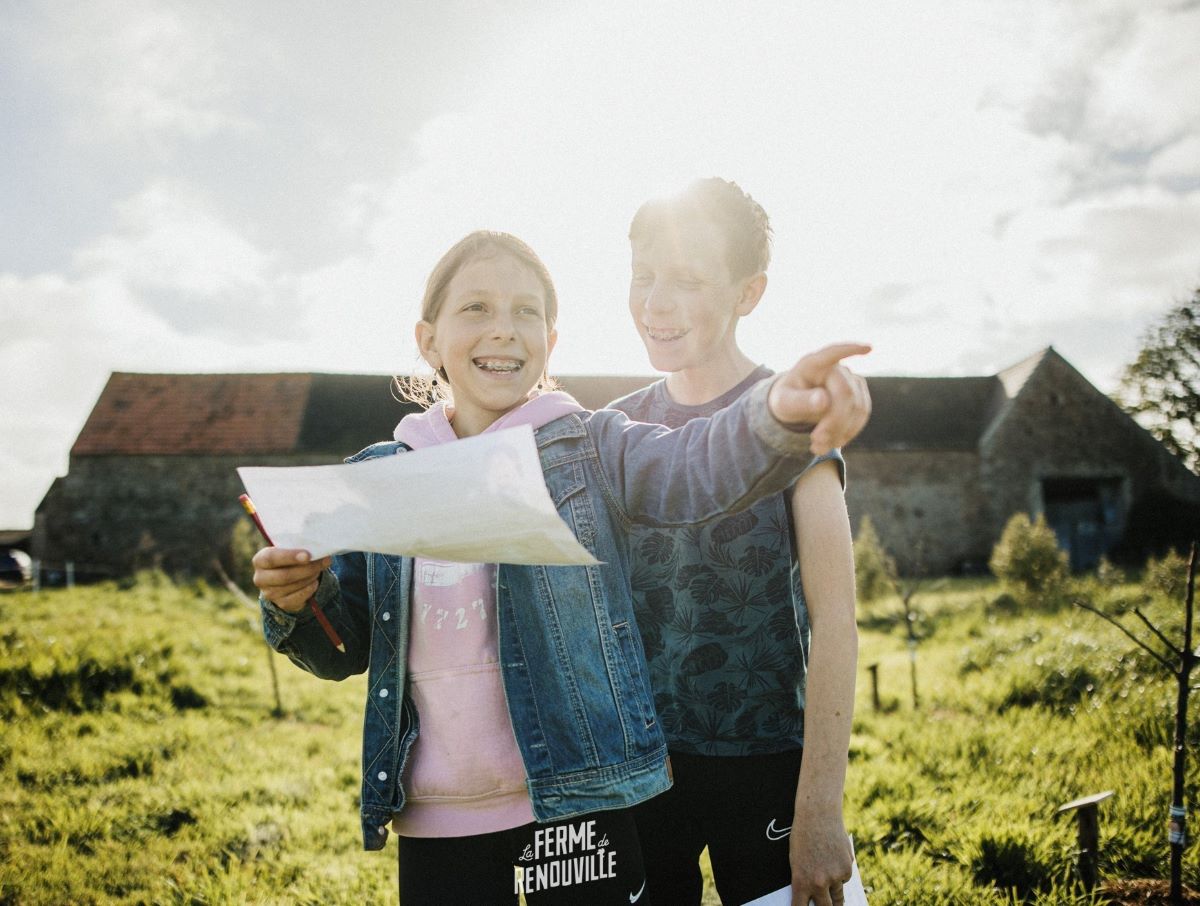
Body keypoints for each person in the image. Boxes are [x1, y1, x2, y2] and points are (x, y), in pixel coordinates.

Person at [252, 230, 870, 905]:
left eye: (527, 312)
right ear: (428, 339)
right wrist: (293, 604)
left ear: (552, 341)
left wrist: (775, 411)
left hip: (577, 806)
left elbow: (692, 466)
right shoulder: (380, 481)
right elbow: (346, 646)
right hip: (438, 818)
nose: (505, 331)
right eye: (477, 309)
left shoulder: (588, 452)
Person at [608, 179, 866, 906]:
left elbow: (837, 619)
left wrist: (819, 806)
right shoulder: (616, 431)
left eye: (687, 280)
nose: (655, 302)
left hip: (765, 761)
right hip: (640, 767)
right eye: (643, 276)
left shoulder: (794, 424)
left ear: (748, 292)